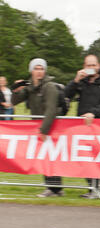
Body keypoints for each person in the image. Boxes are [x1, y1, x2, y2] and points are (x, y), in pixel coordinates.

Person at [11, 58, 64, 197]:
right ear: (31, 71)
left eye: (41, 68)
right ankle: (55, 188)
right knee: (45, 156)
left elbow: (51, 109)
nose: (39, 71)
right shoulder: (29, 87)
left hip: (50, 126)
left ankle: (53, 189)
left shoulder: (49, 86)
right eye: (36, 68)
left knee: (50, 156)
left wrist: (44, 130)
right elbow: (14, 101)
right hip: (39, 126)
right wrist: (16, 89)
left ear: (44, 71)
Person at [65, 54, 100, 198]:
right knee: (84, 158)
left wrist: (94, 113)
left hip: (98, 125)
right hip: (81, 126)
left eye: (93, 65)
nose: (91, 68)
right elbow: (65, 95)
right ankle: (94, 189)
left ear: (99, 66)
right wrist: (75, 80)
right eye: (88, 65)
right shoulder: (81, 81)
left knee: (98, 158)